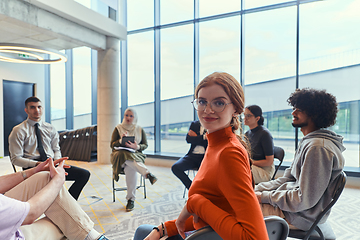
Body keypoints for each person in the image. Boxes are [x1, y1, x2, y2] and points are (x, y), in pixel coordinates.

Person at [133, 72, 269, 240]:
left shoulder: (229, 153)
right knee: (144, 231)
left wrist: (195, 203)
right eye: (202, 102)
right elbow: (218, 211)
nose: (208, 110)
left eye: (219, 103)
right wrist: (163, 228)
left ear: (236, 109)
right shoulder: (217, 144)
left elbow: (256, 238)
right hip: (210, 231)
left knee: (141, 233)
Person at [255, 88, 345, 231]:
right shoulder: (309, 142)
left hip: (298, 215)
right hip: (292, 208)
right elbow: (287, 179)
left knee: (233, 209)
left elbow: (303, 200)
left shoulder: (318, 148)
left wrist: (263, 197)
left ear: (314, 114)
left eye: (299, 109)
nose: (293, 112)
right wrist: (257, 189)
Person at [0, 157, 109, 240]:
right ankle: (91, 236)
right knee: (64, 223)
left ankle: (89, 234)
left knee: (44, 177)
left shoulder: (49, 129)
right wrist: (57, 181)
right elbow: (30, 214)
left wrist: (33, 171)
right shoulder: (18, 132)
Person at [9, 96, 90, 200]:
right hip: (33, 167)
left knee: (84, 174)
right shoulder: (18, 130)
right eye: (32, 107)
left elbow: (56, 149)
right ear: (26, 110)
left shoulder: (50, 128)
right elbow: (16, 159)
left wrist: (57, 162)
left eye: (39, 107)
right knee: (49, 185)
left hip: (51, 163)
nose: (37, 110)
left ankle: (69, 202)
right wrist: (39, 164)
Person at [110, 108, 158, 212]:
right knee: (124, 155)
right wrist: (120, 140)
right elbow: (112, 145)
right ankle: (146, 173)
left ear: (135, 117)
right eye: (126, 115)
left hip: (135, 156)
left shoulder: (139, 129)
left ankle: (130, 200)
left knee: (130, 169)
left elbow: (145, 145)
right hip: (120, 157)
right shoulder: (118, 128)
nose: (128, 118)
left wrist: (137, 147)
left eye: (131, 116)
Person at [171, 120, 208, 190]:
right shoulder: (194, 124)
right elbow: (188, 139)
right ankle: (192, 189)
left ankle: (203, 193)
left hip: (206, 156)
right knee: (175, 168)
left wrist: (196, 138)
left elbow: (211, 141)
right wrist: (203, 137)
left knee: (206, 174)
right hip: (192, 155)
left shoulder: (213, 124)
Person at [244, 105, 274, 184]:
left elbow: (269, 161)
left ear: (257, 118)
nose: (245, 118)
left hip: (265, 171)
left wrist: (250, 162)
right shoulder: (247, 134)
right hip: (254, 167)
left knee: (240, 169)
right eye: (244, 115)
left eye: (248, 115)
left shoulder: (265, 134)